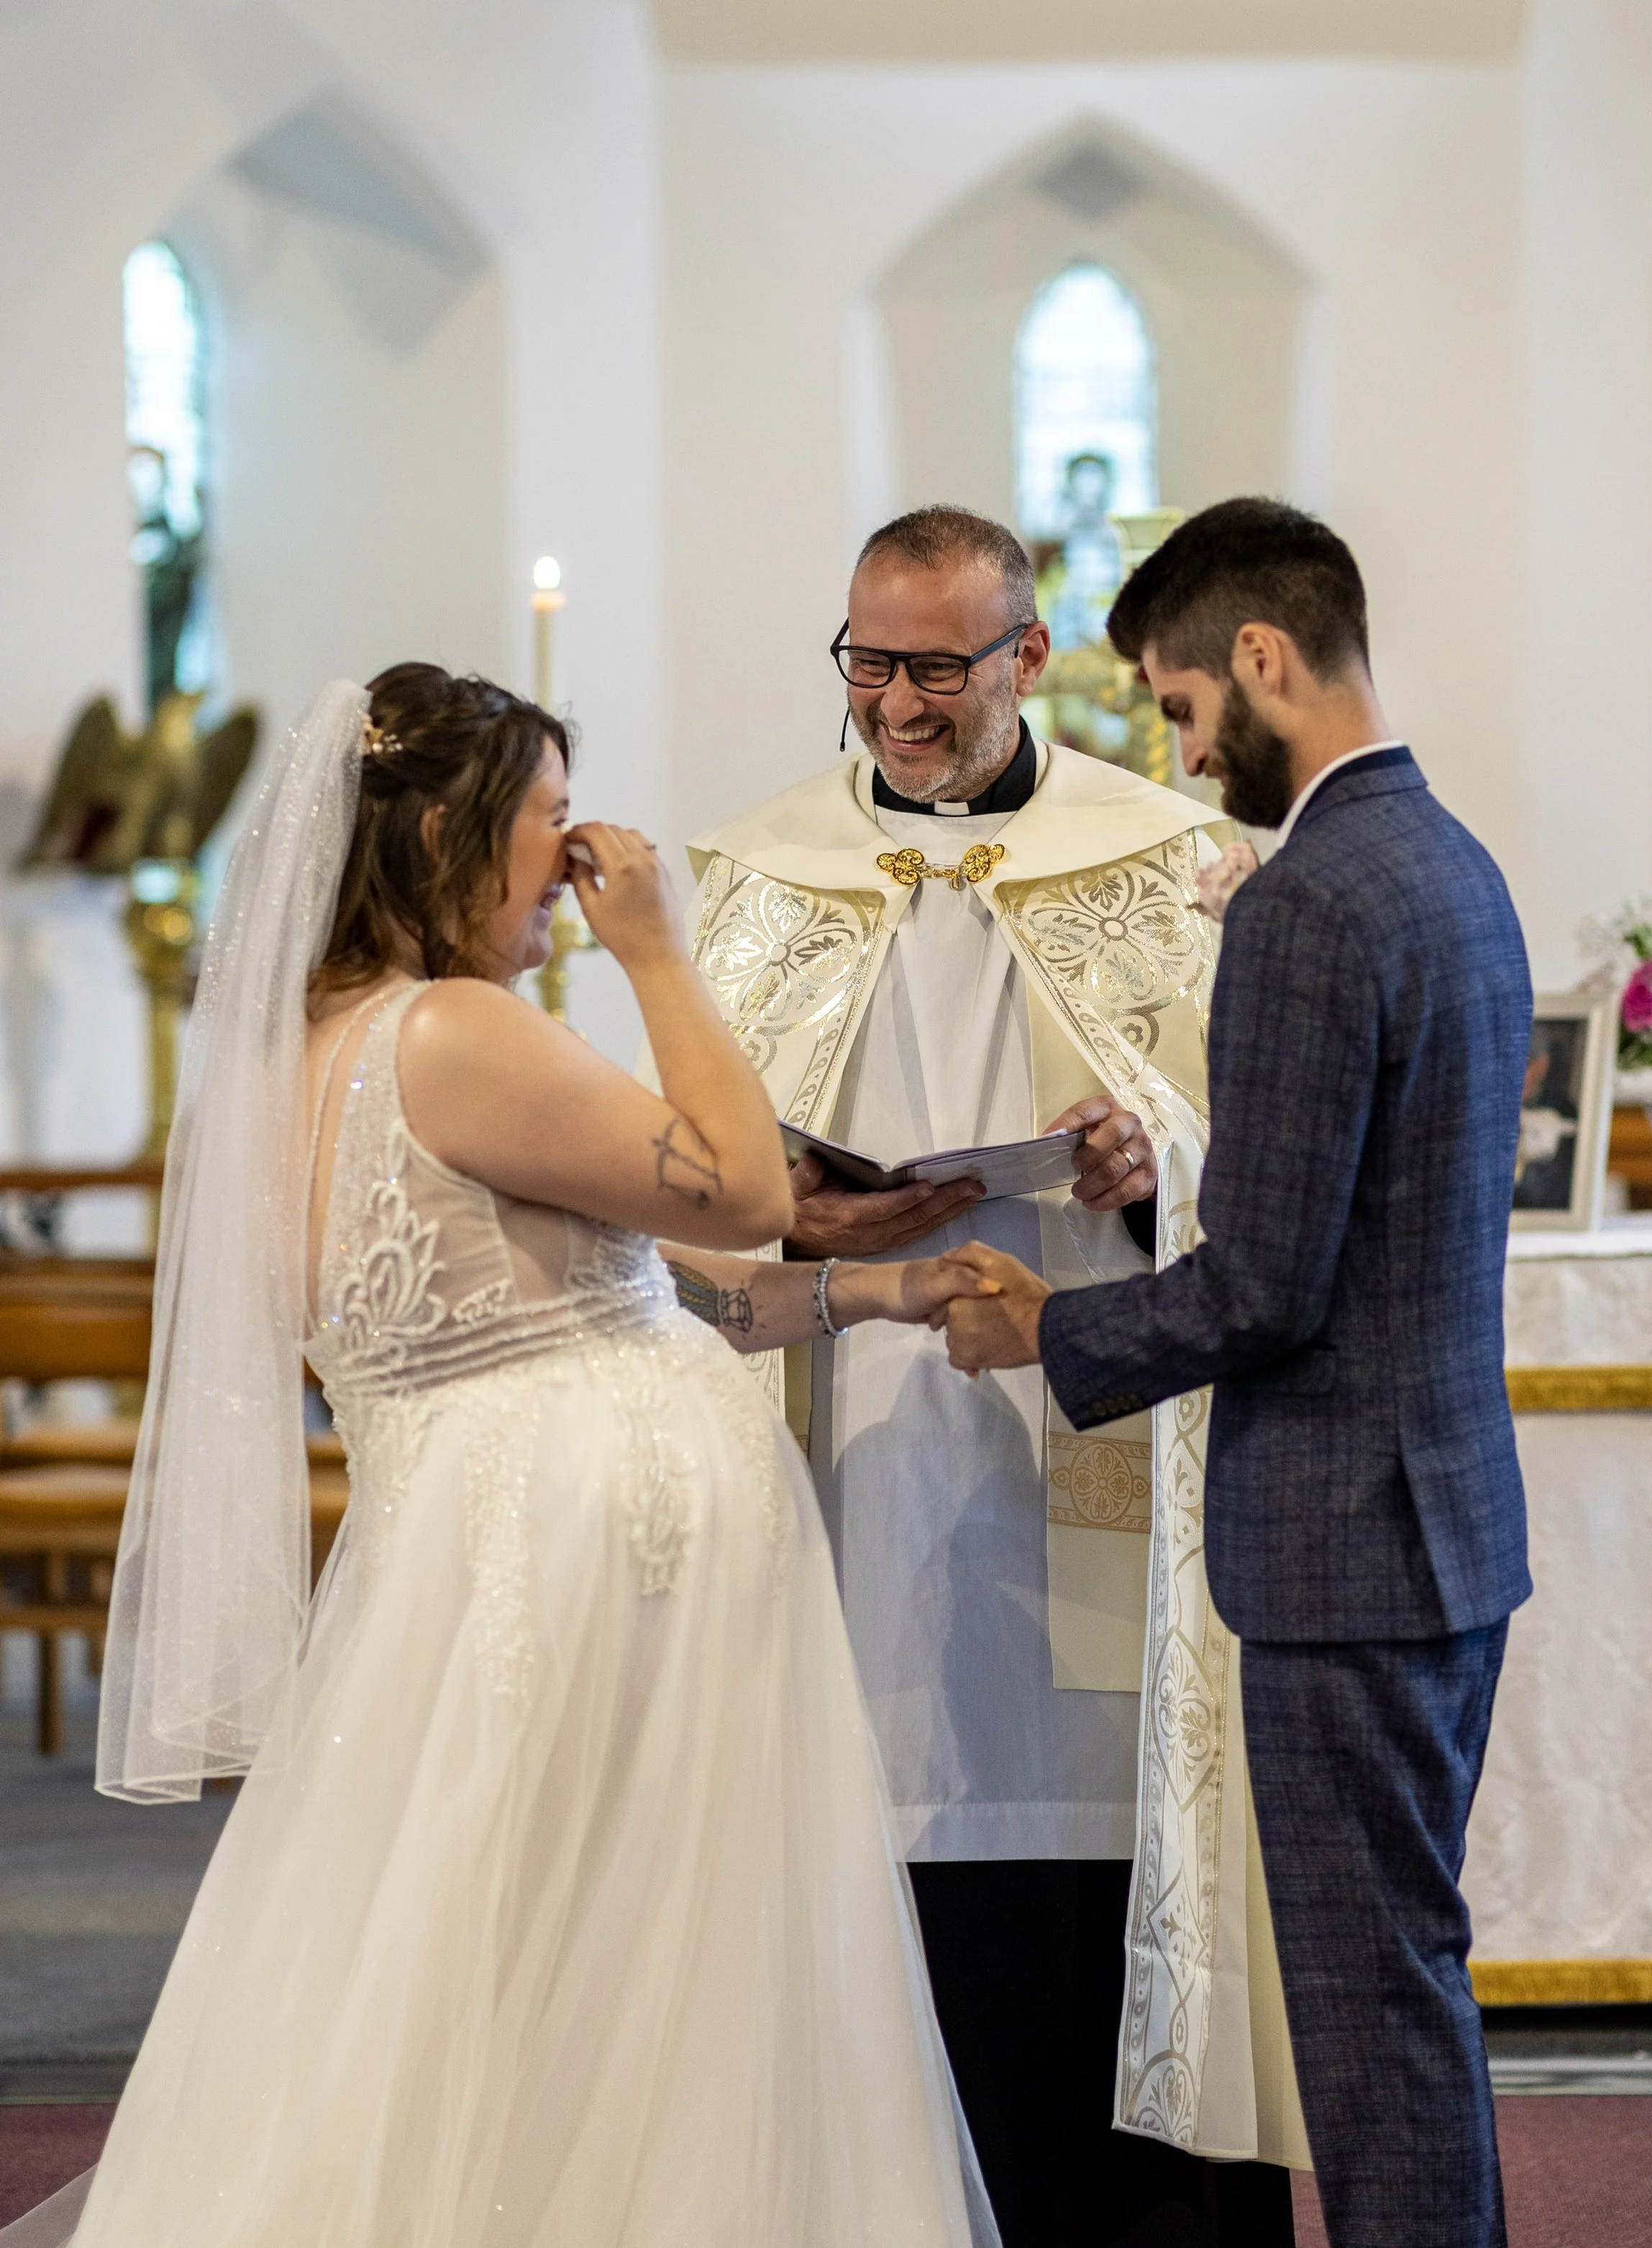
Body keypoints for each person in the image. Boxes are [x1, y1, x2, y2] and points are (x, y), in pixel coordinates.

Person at [6, 665, 1000, 2248]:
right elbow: (743, 1186)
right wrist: (656, 952)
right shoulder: (456, 1031)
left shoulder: (295, 1056)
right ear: (449, 837)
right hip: (583, 1564)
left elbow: (611, 1289)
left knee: (504, 1939)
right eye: (547, 815)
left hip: (484, 1545)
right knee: (619, 1954)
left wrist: (875, 1286)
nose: (580, 846)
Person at [676, 508, 1305, 2247]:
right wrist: (788, 1199)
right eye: (866, 661)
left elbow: (1260, 1156)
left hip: (1083, 1416)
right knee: (861, 1829)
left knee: (1078, 1858)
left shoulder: (1170, 860)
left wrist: (1144, 1154)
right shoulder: (755, 881)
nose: (893, 702)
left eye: (935, 665)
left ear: (1028, 660)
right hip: (843, 1442)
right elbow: (688, 1180)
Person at [941, 499, 1533, 2248]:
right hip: (1437, 1524)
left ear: (1263, 660)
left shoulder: (1305, 900)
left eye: (1188, 708)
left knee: (1367, 2020)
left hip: (1342, 1546)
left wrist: (1042, 1329)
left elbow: (1268, 1281)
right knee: (1403, 1986)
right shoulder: (1451, 862)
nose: (1191, 758)